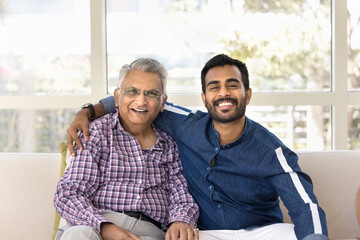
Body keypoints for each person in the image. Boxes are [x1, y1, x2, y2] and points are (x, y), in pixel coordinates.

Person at [67, 54, 329, 240]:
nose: (224, 93)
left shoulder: (271, 151)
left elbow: (306, 206)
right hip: (206, 234)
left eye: (233, 85)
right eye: (215, 87)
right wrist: (88, 111)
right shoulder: (185, 125)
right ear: (204, 98)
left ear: (247, 95)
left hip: (262, 232)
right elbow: (137, 98)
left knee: (292, 235)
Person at [54, 58, 199, 240]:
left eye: (152, 94)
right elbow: (69, 193)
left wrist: (181, 220)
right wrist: (105, 227)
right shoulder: (97, 133)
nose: (141, 101)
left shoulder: (170, 144)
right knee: (78, 235)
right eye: (132, 91)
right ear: (116, 97)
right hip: (94, 224)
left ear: (163, 102)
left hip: (148, 232)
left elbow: (181, 195)